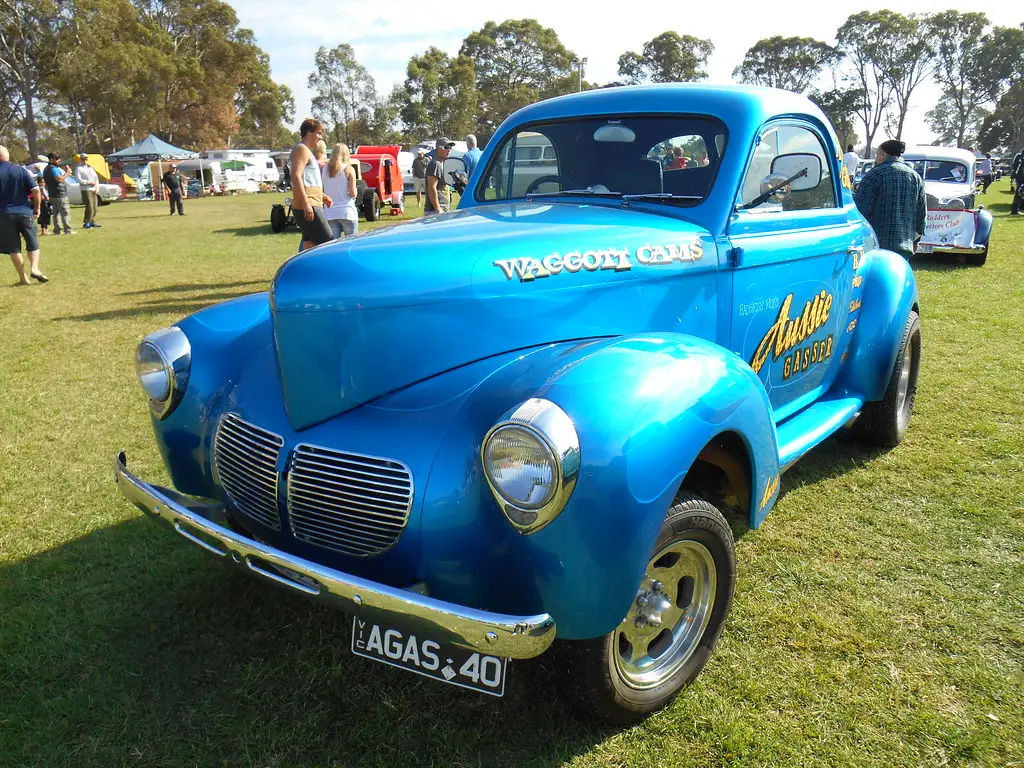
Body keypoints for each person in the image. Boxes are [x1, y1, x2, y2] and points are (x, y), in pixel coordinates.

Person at [854, 139, 926, 260]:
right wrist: (916, 241)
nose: (876, 158)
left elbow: (860, 210)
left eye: (877, 154)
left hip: (877, 245)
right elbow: (921, 214)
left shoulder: (874, 174)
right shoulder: (915, 177)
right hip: (905, 246)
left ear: (884, 154)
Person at [0, 145, 48, 285]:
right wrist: (37, 208)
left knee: (14, 247)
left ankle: (23, 278)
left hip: (3, 214)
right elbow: (36, 190)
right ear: (7, 156)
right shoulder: (20, 170)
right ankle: (34, 268)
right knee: (32, 241)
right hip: (24, 211)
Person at [289, 118, 333, 251]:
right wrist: (307, 203)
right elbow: (296, 175)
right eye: (318, 133)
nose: (320, 137)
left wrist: (322, 196)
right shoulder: (301, 149)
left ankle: (300, 271)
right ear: (309, 132)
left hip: (312, 203)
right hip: (309, 206)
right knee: (330, 244)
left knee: (309, 246)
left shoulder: (305, 150)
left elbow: (307, 180)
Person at [321, 142, 359, 238]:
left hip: (330, 212)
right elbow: (352, 193)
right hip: (346, 211)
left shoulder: (324, 169)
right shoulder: (349, 169)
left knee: (333, 244)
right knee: (351, 243)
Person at [42, 153, 73, 234]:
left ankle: (57, 230)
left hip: (52, 194)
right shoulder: (53, 169)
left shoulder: (46, 169)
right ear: (51, 159)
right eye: (57, 159)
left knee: (56, 214)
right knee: (65, 212)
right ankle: (68, 230)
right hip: (60, 194)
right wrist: (67, 173)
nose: (59, 160)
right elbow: (59, 179)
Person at [424, 138, 454, 216]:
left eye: (450, 147)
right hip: (435, 211)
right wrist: (438, 209)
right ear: (438, 148)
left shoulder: (442, 164)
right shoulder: (435, 164)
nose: (449, 150)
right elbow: (432, 187)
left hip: (442, 208)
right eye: (446, 147)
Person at [75, 153, 101, 229]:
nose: (85, 161)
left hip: (93, 189)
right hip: (86, 189)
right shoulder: (79, 168)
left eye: (86, 159)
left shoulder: (90, 168)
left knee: (95, 206)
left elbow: (96, 178)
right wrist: (88, 182)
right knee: (89, 206)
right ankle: (87, 222)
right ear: (80, 160)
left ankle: (92, 221)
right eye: (83, 159)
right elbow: (78, 179)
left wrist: (97, 187)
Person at [1010, 148, 1024, 216]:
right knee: (1019, 193)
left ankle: (1015, 210)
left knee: (1018, 194)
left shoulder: (1019, 156)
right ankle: (1015, 210)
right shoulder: (1020, 156)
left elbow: (1014, 166)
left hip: (1019, 177)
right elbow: (1015, 166)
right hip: (1021, 177)